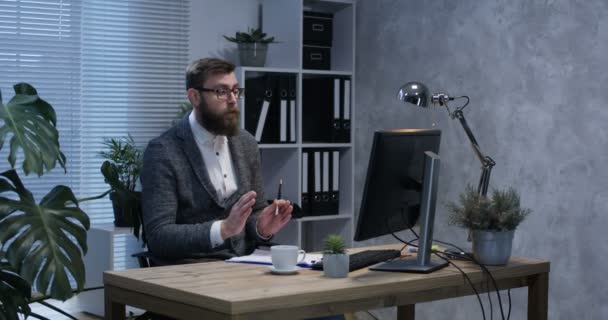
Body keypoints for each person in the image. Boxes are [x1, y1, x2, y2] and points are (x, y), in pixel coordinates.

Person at [141, 57, 293, 264]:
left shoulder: (246, 143)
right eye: (221, 92)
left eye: (235, 90)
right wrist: (223, 229)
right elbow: (159, 236)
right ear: (194, 97)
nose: (232, 100)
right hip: (190, 270)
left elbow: (254, 211)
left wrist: (262, 227)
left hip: (244, 265)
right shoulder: (163, 151)